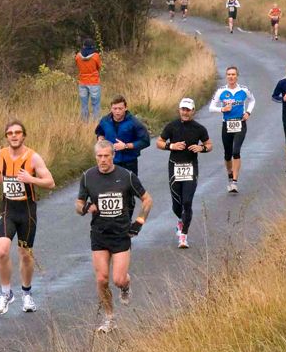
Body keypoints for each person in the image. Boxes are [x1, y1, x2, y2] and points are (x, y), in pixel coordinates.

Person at [77, 140, 153, 333]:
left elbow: (147, 199)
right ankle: (109, 318)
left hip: (121, 234)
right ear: (95, 157)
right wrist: (85, 208)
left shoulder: (126, 176)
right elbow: (78, 204)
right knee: (102, 279)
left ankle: (126, 286)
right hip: (99, 234)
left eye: (106, 156)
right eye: (99, 156)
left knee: (118, 280)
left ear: (113, 156)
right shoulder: (87, 177)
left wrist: (140, 221)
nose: (103, 160)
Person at [0, 120, 56, 315]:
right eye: (10, 133)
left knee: (25, 254)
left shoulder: (33, 158)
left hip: (27, 212)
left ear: (24, 136)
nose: (14, 136)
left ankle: (26, 293)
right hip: (7, 210)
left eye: (18, 132)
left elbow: (50, 182)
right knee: (2, 251)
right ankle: (5, 293)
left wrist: (31, 179)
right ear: (6, 137)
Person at [156, 98, 212, 248]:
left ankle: (183, 236)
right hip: (174, 167)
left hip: (190, 167)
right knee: (177, 205)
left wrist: (202, 148)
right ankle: (181, 220)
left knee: (187, 202)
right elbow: (159, 142)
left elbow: (209, 144)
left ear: (193, 111)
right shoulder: (172, 126)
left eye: (188, 110)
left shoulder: (199, 128)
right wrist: (172, 145)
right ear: (179, 110)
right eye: (183, 109)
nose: (185, 112)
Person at [208, 66, 255, 193]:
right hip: (226, 125)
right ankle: (230, 173)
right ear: (226, 76)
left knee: (236, 151)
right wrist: (222, 109)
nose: (231, 77)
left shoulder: (244, 90)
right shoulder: (221, 91)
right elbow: (211, 107)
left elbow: (252, 100)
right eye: (229, 74)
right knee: (227, 155)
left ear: (237, 76)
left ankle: (234, 182)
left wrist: (248, 113)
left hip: (240, 123)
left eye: (233, 74)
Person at [94, 96, 151, 176]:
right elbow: (100, 132)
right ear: (111, 108)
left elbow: (145, 141)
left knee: (129, 187)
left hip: (129, 162)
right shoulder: (105, 121)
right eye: (115, 108)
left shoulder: (134, 122)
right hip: (109, 161)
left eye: (120, 109)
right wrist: (100, 139)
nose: (117, 111)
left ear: (125, 108)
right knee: (109, 187)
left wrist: (125, 146)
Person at [74, 38, 102, 121]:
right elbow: (99, 67)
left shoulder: (78, 56)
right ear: (92, 46)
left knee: (84, 104)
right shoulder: (96, 56)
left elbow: (78, 67)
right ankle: (96, 122)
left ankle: (84, 122)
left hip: (82, 82)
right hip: (94, 82)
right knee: (95, 104)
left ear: (83, 46)